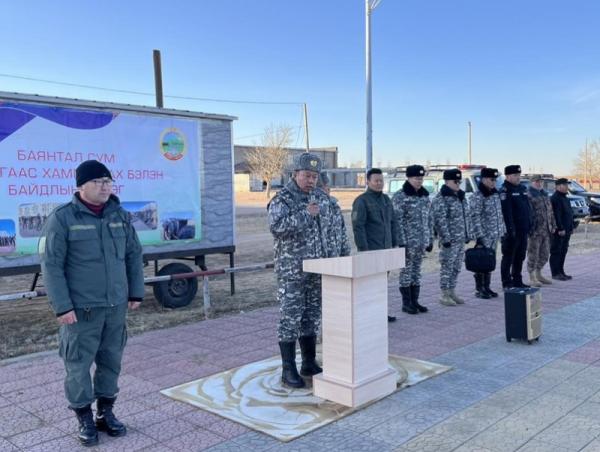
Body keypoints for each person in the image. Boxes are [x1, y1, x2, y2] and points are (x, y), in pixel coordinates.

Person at [40, 160, 144, 447]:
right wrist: (62, 306)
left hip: (115, 308)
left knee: (111, 362)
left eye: (108, 181)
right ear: (80, 185)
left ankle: (106, 413)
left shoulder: (120, 216)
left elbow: (134, 255)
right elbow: (51, 265)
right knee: (78, 365)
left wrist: (135, 292)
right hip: (81, 311)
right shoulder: (63, 218)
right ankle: (84, 417)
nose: (104, 186)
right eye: (97, 181)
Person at [267, 153, 331, 388]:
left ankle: (309, 362)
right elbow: (277, 228)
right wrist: (306, 214)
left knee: (311, 317)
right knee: (290, 319)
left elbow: (325, 229)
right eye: (307, 175)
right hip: (292, 271)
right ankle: (288, 370)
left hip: (315, 270)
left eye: (314, 176)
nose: (311, 180)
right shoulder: (282, 199)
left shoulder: (317, 197)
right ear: (295, 174)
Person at [351, 167, 399, 322]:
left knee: (381, 283)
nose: (379, 184)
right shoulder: (361, 201)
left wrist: (394, 243)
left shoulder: (386, 200)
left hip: (385, 249)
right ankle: (367, 314)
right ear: (368, 182)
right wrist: (363, 250)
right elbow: (358, 226)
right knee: (369, 284)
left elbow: (393, 222)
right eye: (376, 181)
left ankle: (379, 313)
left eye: (381, 181)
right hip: (371, 250)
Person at [392, 164, 433, 314]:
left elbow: (429, 219)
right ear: (408, 178)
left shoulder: (424, 196)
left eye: (421, 178)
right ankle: (406, 303)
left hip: (421, 242)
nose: (419, 181)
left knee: (416, 271)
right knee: (406, 272)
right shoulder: (400, 196)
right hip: (408, 242)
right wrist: (401, 242)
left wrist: (429, 240)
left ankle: (415, 301)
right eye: (416, 178)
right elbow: (398, 221)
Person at [431, 169, 471, 306]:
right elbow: (440, 220)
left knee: (456, 267)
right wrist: (446, 239)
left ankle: (452, 291)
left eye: (460, 181)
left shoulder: (461, 196)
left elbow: (466, 216)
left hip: (460, 239)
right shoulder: (441, 198)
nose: (458, 184)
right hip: (449, 240)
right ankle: (444, 294)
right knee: (447, 267)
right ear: (447, 181)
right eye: (455, 181)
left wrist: (467, 234)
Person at [469, 167, 506, 298]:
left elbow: (499, 214)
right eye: (491, 179)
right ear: (484, 179)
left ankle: (487, 287)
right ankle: (480, 289)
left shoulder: (495, 194)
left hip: (495, 234)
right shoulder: (478, 196)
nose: (494, 182)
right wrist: (479, 236)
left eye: (495, 180)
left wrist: (502, 230)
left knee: (489, 261)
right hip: (484, 235)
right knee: (481, 261)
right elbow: (475, 216)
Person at [499, 165, 532, 289]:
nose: (518, 177)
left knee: (520, 256)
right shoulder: (505, 190)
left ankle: (517, 280)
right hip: (512, 231)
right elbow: (506, 213)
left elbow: (527, 208)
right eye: (515, 175)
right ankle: (506, 282)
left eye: (519, 175)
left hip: (523, 230)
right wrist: (510, 230)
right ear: (507, 176)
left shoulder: (522, 188)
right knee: (508, 257)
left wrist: (529, 224)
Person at [526, 174, 557, 286]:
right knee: (533, 254)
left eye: (541, 182)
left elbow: (550, 211)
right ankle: (532, 276)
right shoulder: (529, 195)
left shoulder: (545, 194)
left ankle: (539, 274)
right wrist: (530, 228)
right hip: (535, 231)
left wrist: (553, 225)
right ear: (532, 182)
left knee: (544, 254)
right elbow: (527, 214)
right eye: (537, 182)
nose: (539, 183)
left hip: (546, 230)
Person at [317, 172, 351, 258]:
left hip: (336, 256)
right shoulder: (313, 207)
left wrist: (345, 252)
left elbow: (342, 231)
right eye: (321, 187)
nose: (327, 189)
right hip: (321, 259)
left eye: (327, 186)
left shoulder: (335, 206)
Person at [550, 178, 575, 280]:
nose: (566, 187)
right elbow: (556, 215)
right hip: (560, 230)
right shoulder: (555, 198)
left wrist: (571, 226)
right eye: (564, 185)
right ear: (558, 186)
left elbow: (569, 213)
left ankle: (561, 271)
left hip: (567, 229)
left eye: (567, 185)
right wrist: (560, 228)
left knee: (563, 250)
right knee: (556, 251)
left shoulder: (565, 197)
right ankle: (555, 273)